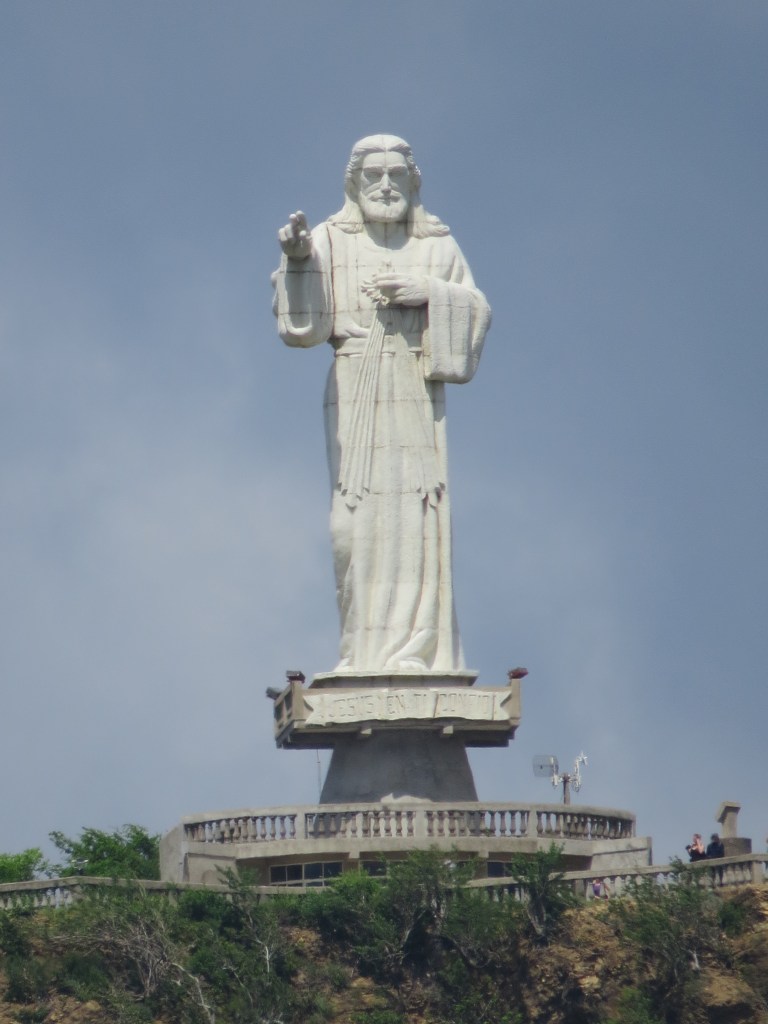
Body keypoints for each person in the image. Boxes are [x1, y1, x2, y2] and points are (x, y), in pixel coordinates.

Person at [273, 135, 491, 674]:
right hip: (355, 384)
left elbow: (476, 309)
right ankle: (361, 650)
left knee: (415, 518)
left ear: (414, 181)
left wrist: (425, 290)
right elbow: (303, 330)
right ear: (354, 184)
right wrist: (299, 259)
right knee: (352, 527)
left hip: (414, 390)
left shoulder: (437, 246)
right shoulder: (328, 238)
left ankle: (416, 650)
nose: (386, 185)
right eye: (374, 176)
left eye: (397, 174)